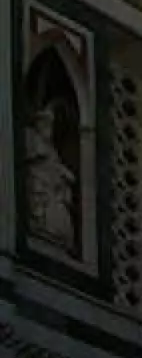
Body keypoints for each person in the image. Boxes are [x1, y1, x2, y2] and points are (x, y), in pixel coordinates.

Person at [24, 101, 79, 252]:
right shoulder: (31, 137)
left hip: (52, 188)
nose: (50, 130)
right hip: (40, 184)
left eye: (51, 126)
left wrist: (64, 173)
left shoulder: (52, 148)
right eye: (46, 125)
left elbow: (56, 165)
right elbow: (35, 158)